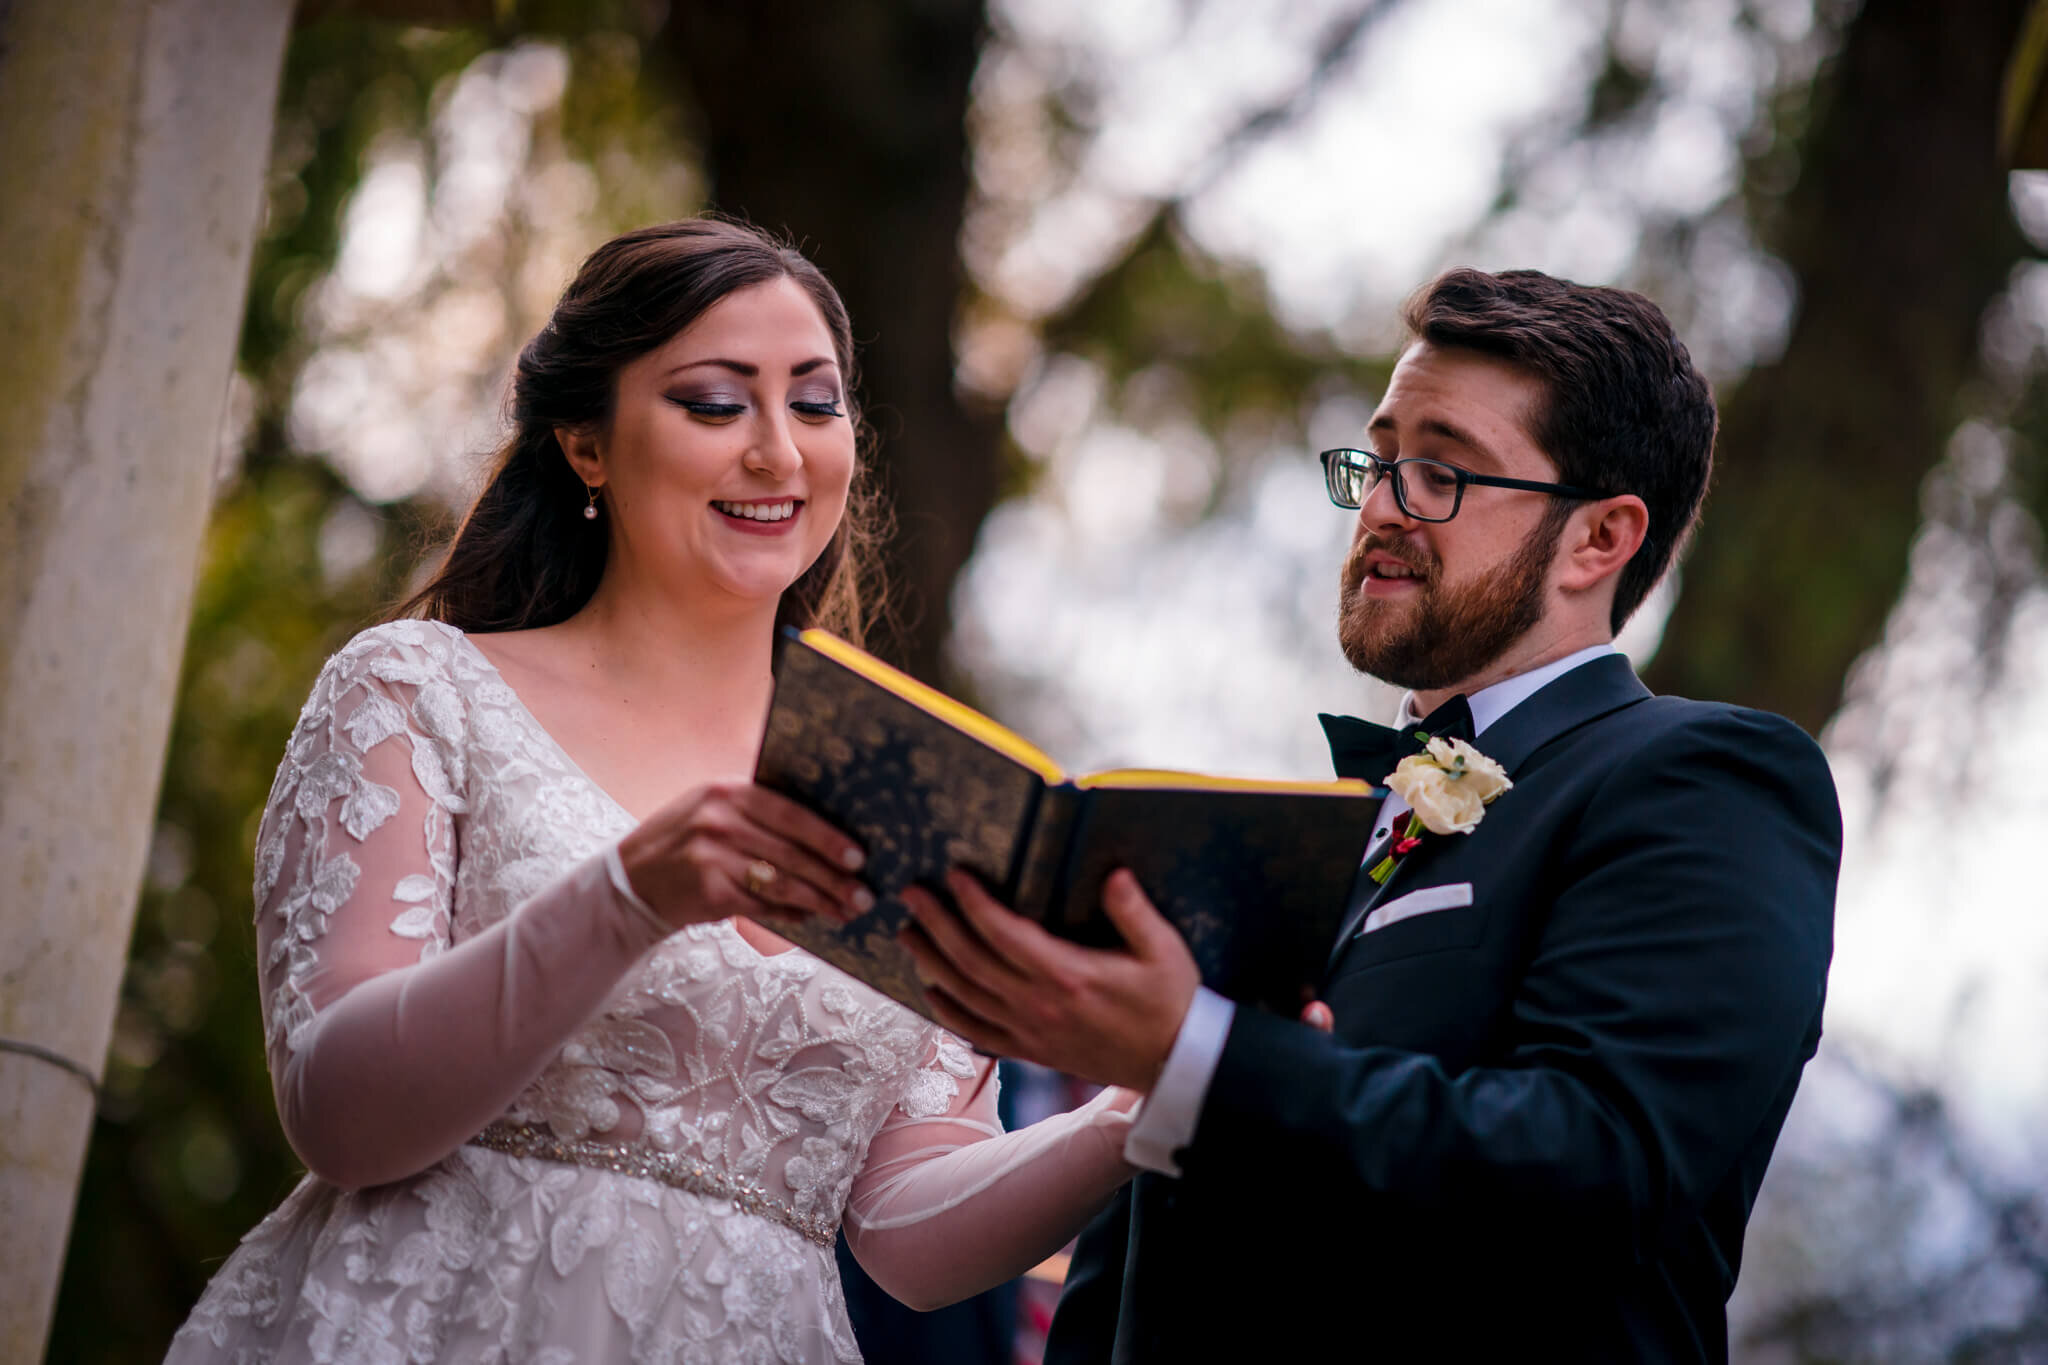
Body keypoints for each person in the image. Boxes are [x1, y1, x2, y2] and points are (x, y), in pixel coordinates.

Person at [167, 218, 1140, 1365]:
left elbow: (899, 1236)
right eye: (716, 404)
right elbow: (341, 1118)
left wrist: (1137, 1114)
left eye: (814, 404)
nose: (778, 453)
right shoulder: (419, 692)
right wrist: (628, 895)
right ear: (585, 443)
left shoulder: (902, 788)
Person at [898, 268, 1841, 1361]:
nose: (1385, 506)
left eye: (1440, 469)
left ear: (1599, 539)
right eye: (1379, 459)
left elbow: (1599, 1163)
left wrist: (1196, 1054)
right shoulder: (1316, 832)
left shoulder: (1706, 779)